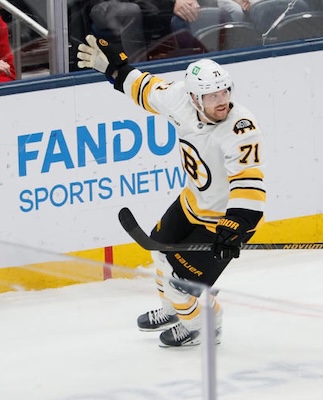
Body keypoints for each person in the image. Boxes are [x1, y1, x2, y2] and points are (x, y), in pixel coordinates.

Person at [76, 35, 266, 347]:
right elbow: (145, 89)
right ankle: (174, 311)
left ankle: (205, 326)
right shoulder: (178, 97)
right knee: (160, 251)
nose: (221, 100)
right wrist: (115, 70)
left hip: (224, 221)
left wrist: (235, 226)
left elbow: (248, 182)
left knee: (181, 285)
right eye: (212, 95)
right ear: (194, 98)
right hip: (192, 203)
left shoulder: (240, 128)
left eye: (224, 91)